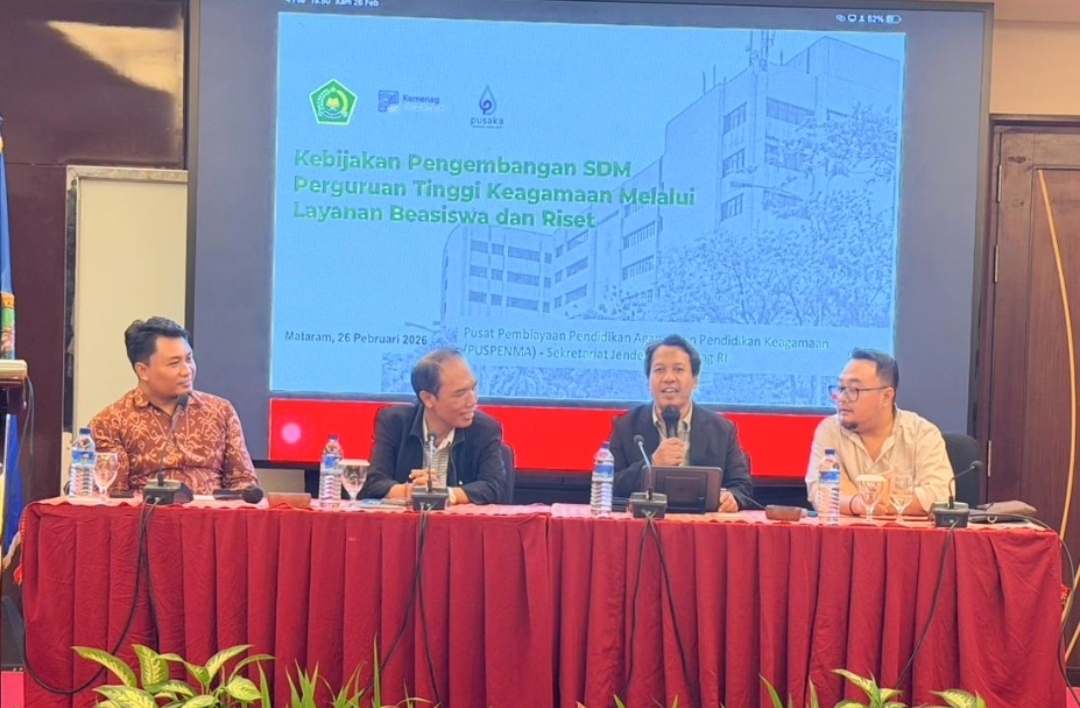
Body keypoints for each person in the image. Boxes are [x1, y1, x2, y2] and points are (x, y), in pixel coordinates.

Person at [89, 317, 258, 495]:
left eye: (189, 359)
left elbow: (243, 482)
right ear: (143, 371)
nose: (187, 371)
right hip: (149, 511)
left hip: (212, 511)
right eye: (174, 363)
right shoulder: (110, 422)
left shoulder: (220, 411)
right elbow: (111, 495)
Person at [610, 335, 755, 512]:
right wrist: (652, 464)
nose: (668, 378)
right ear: (648, 382)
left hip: (703, 525)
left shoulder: (722, 430)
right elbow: (609, 485)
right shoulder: (625, 427)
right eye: (659, 370)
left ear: (695, 380)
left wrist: (733, 498)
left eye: (678, 369)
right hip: (645, 522)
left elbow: (742, 486)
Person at [804, 348, 952, 516]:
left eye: (853, 390)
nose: (842, 398)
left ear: (886, 396)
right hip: (848, 533)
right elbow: (821, 493)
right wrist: (857, 504)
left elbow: (940, 495)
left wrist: (874, 503)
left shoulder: (922, 434)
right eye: (840, 388)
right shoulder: (829, 430)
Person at [362, 348, 506, 505]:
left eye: (473, 388)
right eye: (460, 394)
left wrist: (445, 494)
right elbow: (373, 483)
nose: (472, 401)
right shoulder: (394, 423)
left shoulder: (485, 429)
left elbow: (494, 487)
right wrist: (411, 491)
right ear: (428, 399)